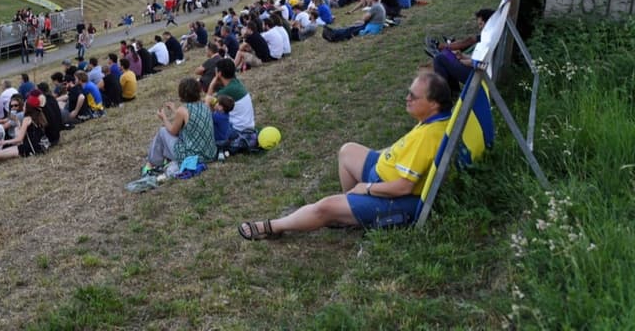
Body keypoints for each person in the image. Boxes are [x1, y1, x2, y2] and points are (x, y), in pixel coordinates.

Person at [238, 72, 453, 239]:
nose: (407, 98)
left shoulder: (427, 137)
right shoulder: (434, 121)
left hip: (395, 197)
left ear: (433, 103)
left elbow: (404, 187)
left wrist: (367, 188)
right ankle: (350, 214)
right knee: (347, 150)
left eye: (413, 96)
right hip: (384, 174)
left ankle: (274, 227)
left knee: (325, 207)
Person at [143, 78, 217, 173]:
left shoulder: (183, 110)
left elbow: (173, 131)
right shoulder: (205, 106)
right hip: (210, 153)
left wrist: (164, 117)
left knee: (162, 131)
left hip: (193, 156)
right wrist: (175, 110)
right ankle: (159, 159)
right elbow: (189, 121)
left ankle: (153, 163)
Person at [206, 58, 256, 133]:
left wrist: (211, 85)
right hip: (247, 127)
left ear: (219, 73)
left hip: (237, 130)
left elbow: (207, 101)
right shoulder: (236, 83)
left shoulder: (228, 90)